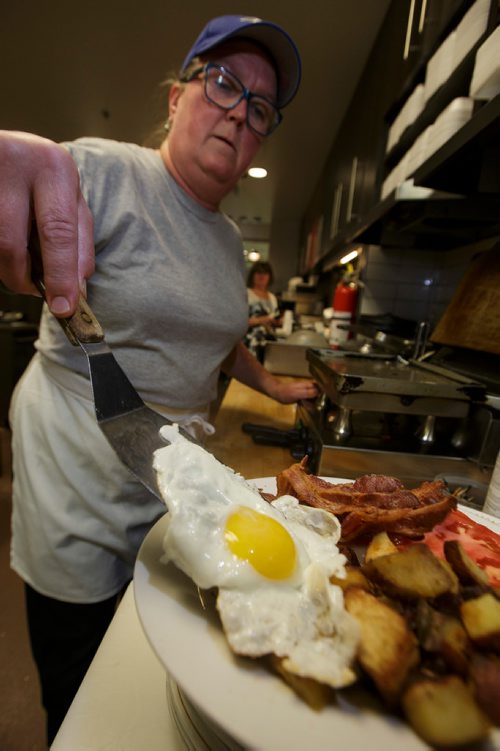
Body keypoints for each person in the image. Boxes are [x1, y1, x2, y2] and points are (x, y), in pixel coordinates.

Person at [0, 14, 320, 743]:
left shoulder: (229, 237)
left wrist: (270, 386)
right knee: (79, 671)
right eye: (224, 83)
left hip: (167, 470)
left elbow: (217, 336)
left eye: (261, 107)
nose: (240, 112)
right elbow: (30, 182)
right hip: (77, 464)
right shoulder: (101, 169)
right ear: (177, 98)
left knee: (145, 654)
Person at [244, 260, 281, 360]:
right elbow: (239, 321)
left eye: (265, 273)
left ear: (270, 276)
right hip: (248, 344)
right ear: (252, 275)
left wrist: (278, 322)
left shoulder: (272, 297)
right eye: (258, 273)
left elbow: (274, 318)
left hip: (268, 344)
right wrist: (261, 320)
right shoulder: (246, 294)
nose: (262, 276)